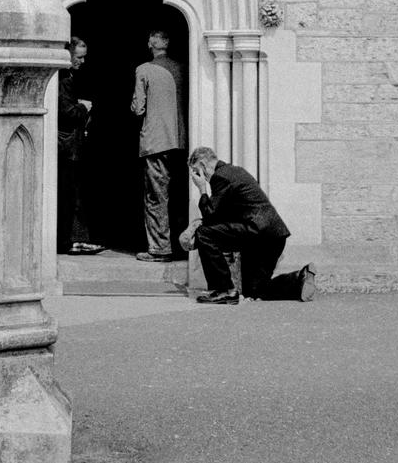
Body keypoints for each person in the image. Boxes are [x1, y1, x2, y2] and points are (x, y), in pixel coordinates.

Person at [186, 145, 316, 304]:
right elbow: (224, 215)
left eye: (196, 172)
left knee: (204, 234)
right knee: (255, 290)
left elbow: (211, 216)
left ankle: (224, 290)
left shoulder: (221, 177)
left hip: (257, 233)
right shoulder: (235, 171)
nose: (200, 177)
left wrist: (202, 189)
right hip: (272, 236)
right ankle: (298, 280)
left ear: (203, 166)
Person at [130, 29, 187, 261]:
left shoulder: (143, 70)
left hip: (156, 141)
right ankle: (182, 245)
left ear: (150, 44)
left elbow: (138, 108)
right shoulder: (183, 68)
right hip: (180, 140)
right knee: (180, 193)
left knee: (156, 196)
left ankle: (160, 248)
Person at [57, 38, 103, 255]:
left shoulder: (67, 77)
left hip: (69, 145)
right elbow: (66, 111)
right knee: (69, 193)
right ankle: (70, 241)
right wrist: (83, 107)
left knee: (72, 193)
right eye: (79, 57)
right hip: (66, 146)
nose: (83, 61)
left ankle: (73, 239)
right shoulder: (63, 79)